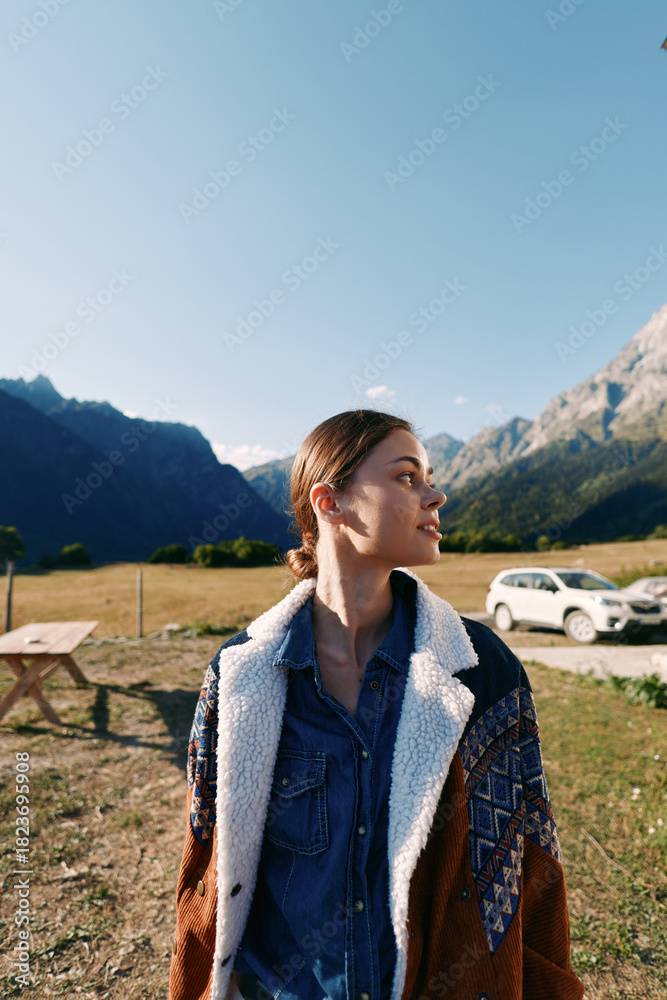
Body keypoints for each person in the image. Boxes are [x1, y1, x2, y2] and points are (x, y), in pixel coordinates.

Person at [169, 409, 584, 1000]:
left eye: (428, 478)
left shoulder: (483, 669)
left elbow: (530, 860)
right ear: (330, 502)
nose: (436, 495)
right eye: (407, 477)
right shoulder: (239, 677)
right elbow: (207, 865)